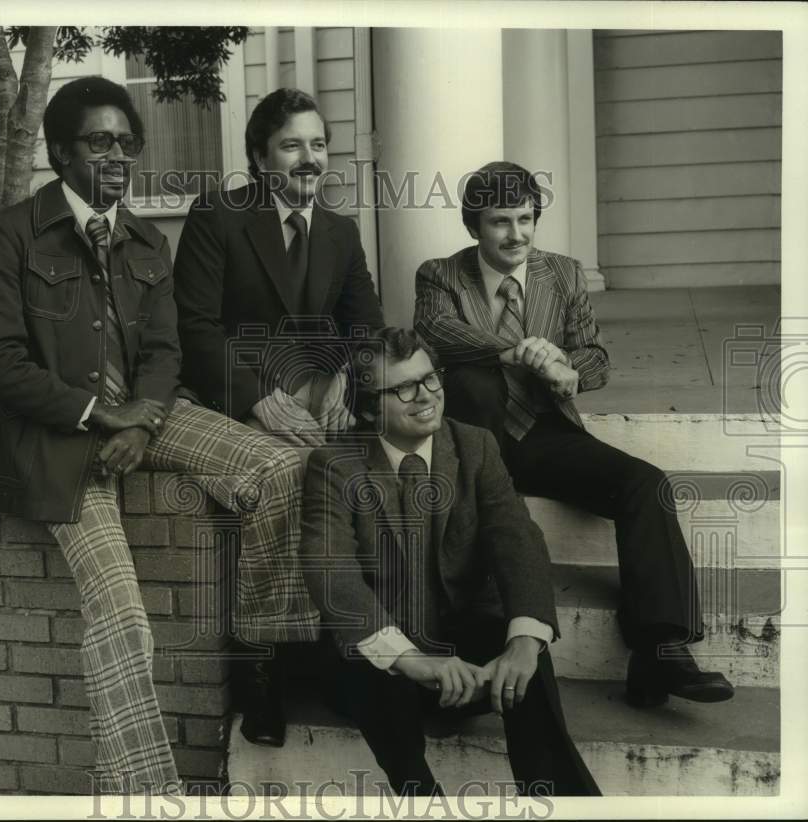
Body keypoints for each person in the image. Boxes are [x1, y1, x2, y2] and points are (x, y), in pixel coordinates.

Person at [0, 76, 305, 793]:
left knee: (278, 469)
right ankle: (147, 796)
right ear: (61, 153)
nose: (118, 154)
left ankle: (260, 654)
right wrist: (98, 417)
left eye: (128, 141)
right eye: (100, 140)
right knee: (125, 623)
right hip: (56, 440)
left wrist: (143, 416)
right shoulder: (12, 235)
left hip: (147, 414)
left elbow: (164, 351)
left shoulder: (148, 239)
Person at [413, 160, 733, 708]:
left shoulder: (561, 273)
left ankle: (661, 652)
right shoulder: (441, 274)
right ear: (473, 227)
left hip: (542, 433)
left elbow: (597, 358)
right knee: (475, 380)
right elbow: (437, 332)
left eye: (525, 218)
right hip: (471, 445)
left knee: (647, 484)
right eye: (499, 222)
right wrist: (515, 350)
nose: (517, 234)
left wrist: (568, 365)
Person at [300, 327, 600, 796]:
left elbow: (517, 539)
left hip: (461, 650)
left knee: (528, 656)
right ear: (366, 409)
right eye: (403, 388)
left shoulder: (475, 445)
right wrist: (414, 662)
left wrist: (525, 641)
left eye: (431, 378)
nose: (426, 396)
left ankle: (564, 801)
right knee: (373, 663)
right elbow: (331, 572)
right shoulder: (335, 465)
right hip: (386, 667)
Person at [174, 88, 384, 746]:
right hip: (228, 403)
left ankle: (346, 651)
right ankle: (260, 664)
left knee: (374, 471)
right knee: (294, 474)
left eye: (318, 144)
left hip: (313, 405)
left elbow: (367, 327)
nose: (310, 158)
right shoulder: (218, 217)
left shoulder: (341, 232)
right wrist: (254, 397)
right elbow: (196, 330)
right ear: (262, 158)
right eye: (293, 145)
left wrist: (348, 374)